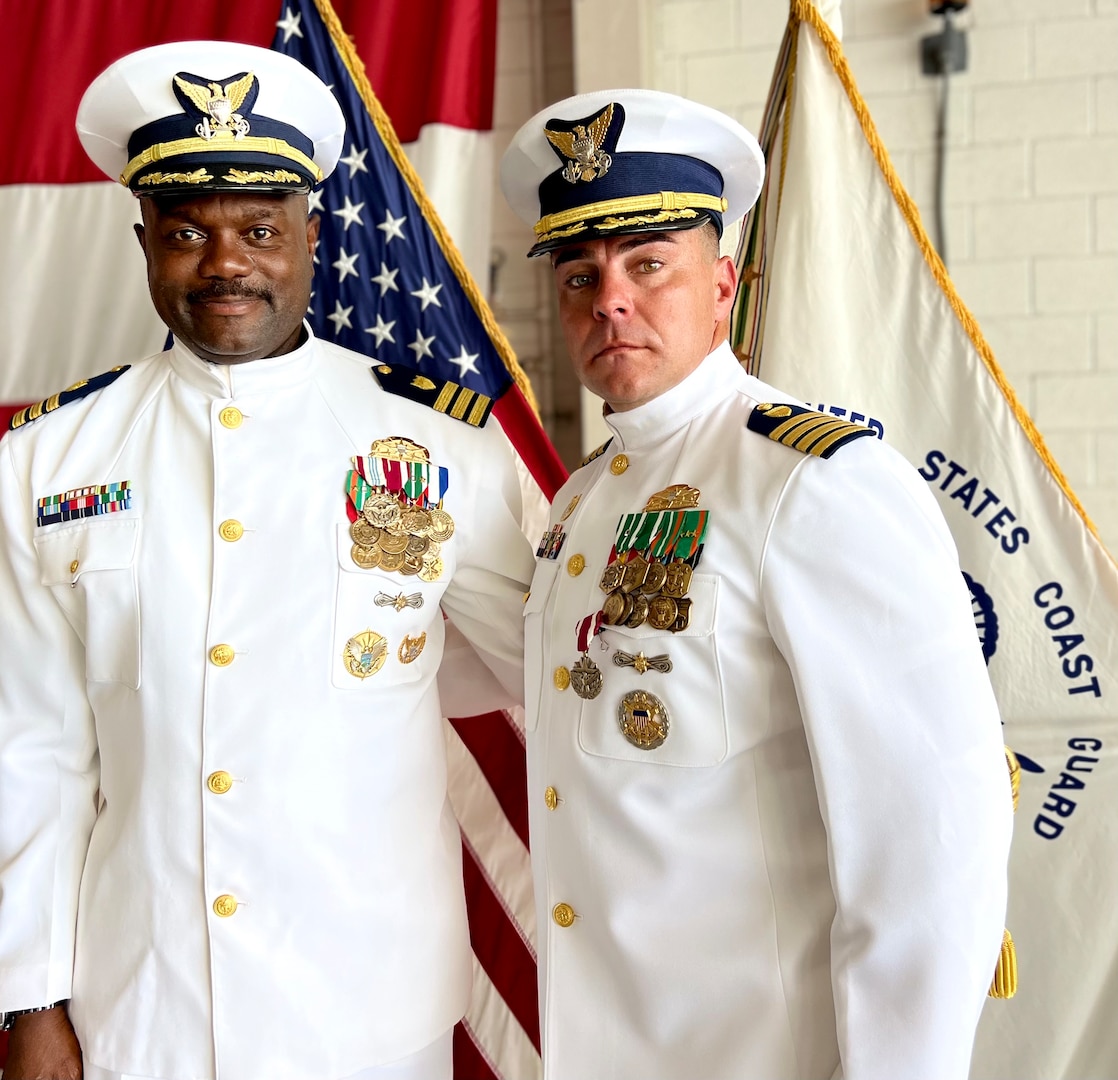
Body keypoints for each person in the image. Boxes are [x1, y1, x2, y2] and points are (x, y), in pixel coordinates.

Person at [0, 42, 535, 1080]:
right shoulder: (44, 463)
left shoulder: (444, 449)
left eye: (257, 231)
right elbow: (30, 750)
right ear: (144, 241)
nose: (225, 263)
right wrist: (28, 1000)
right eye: (187, 233)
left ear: (310, 238)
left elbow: (548, 667)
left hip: (367, 1014)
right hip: (142, 1007)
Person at [500, 88, 1013, 1080]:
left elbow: (927, 836)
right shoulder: (580, 506)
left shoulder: (810, 481)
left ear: (723, 283)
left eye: (648, 265)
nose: (609, 298)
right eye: (578, 274)